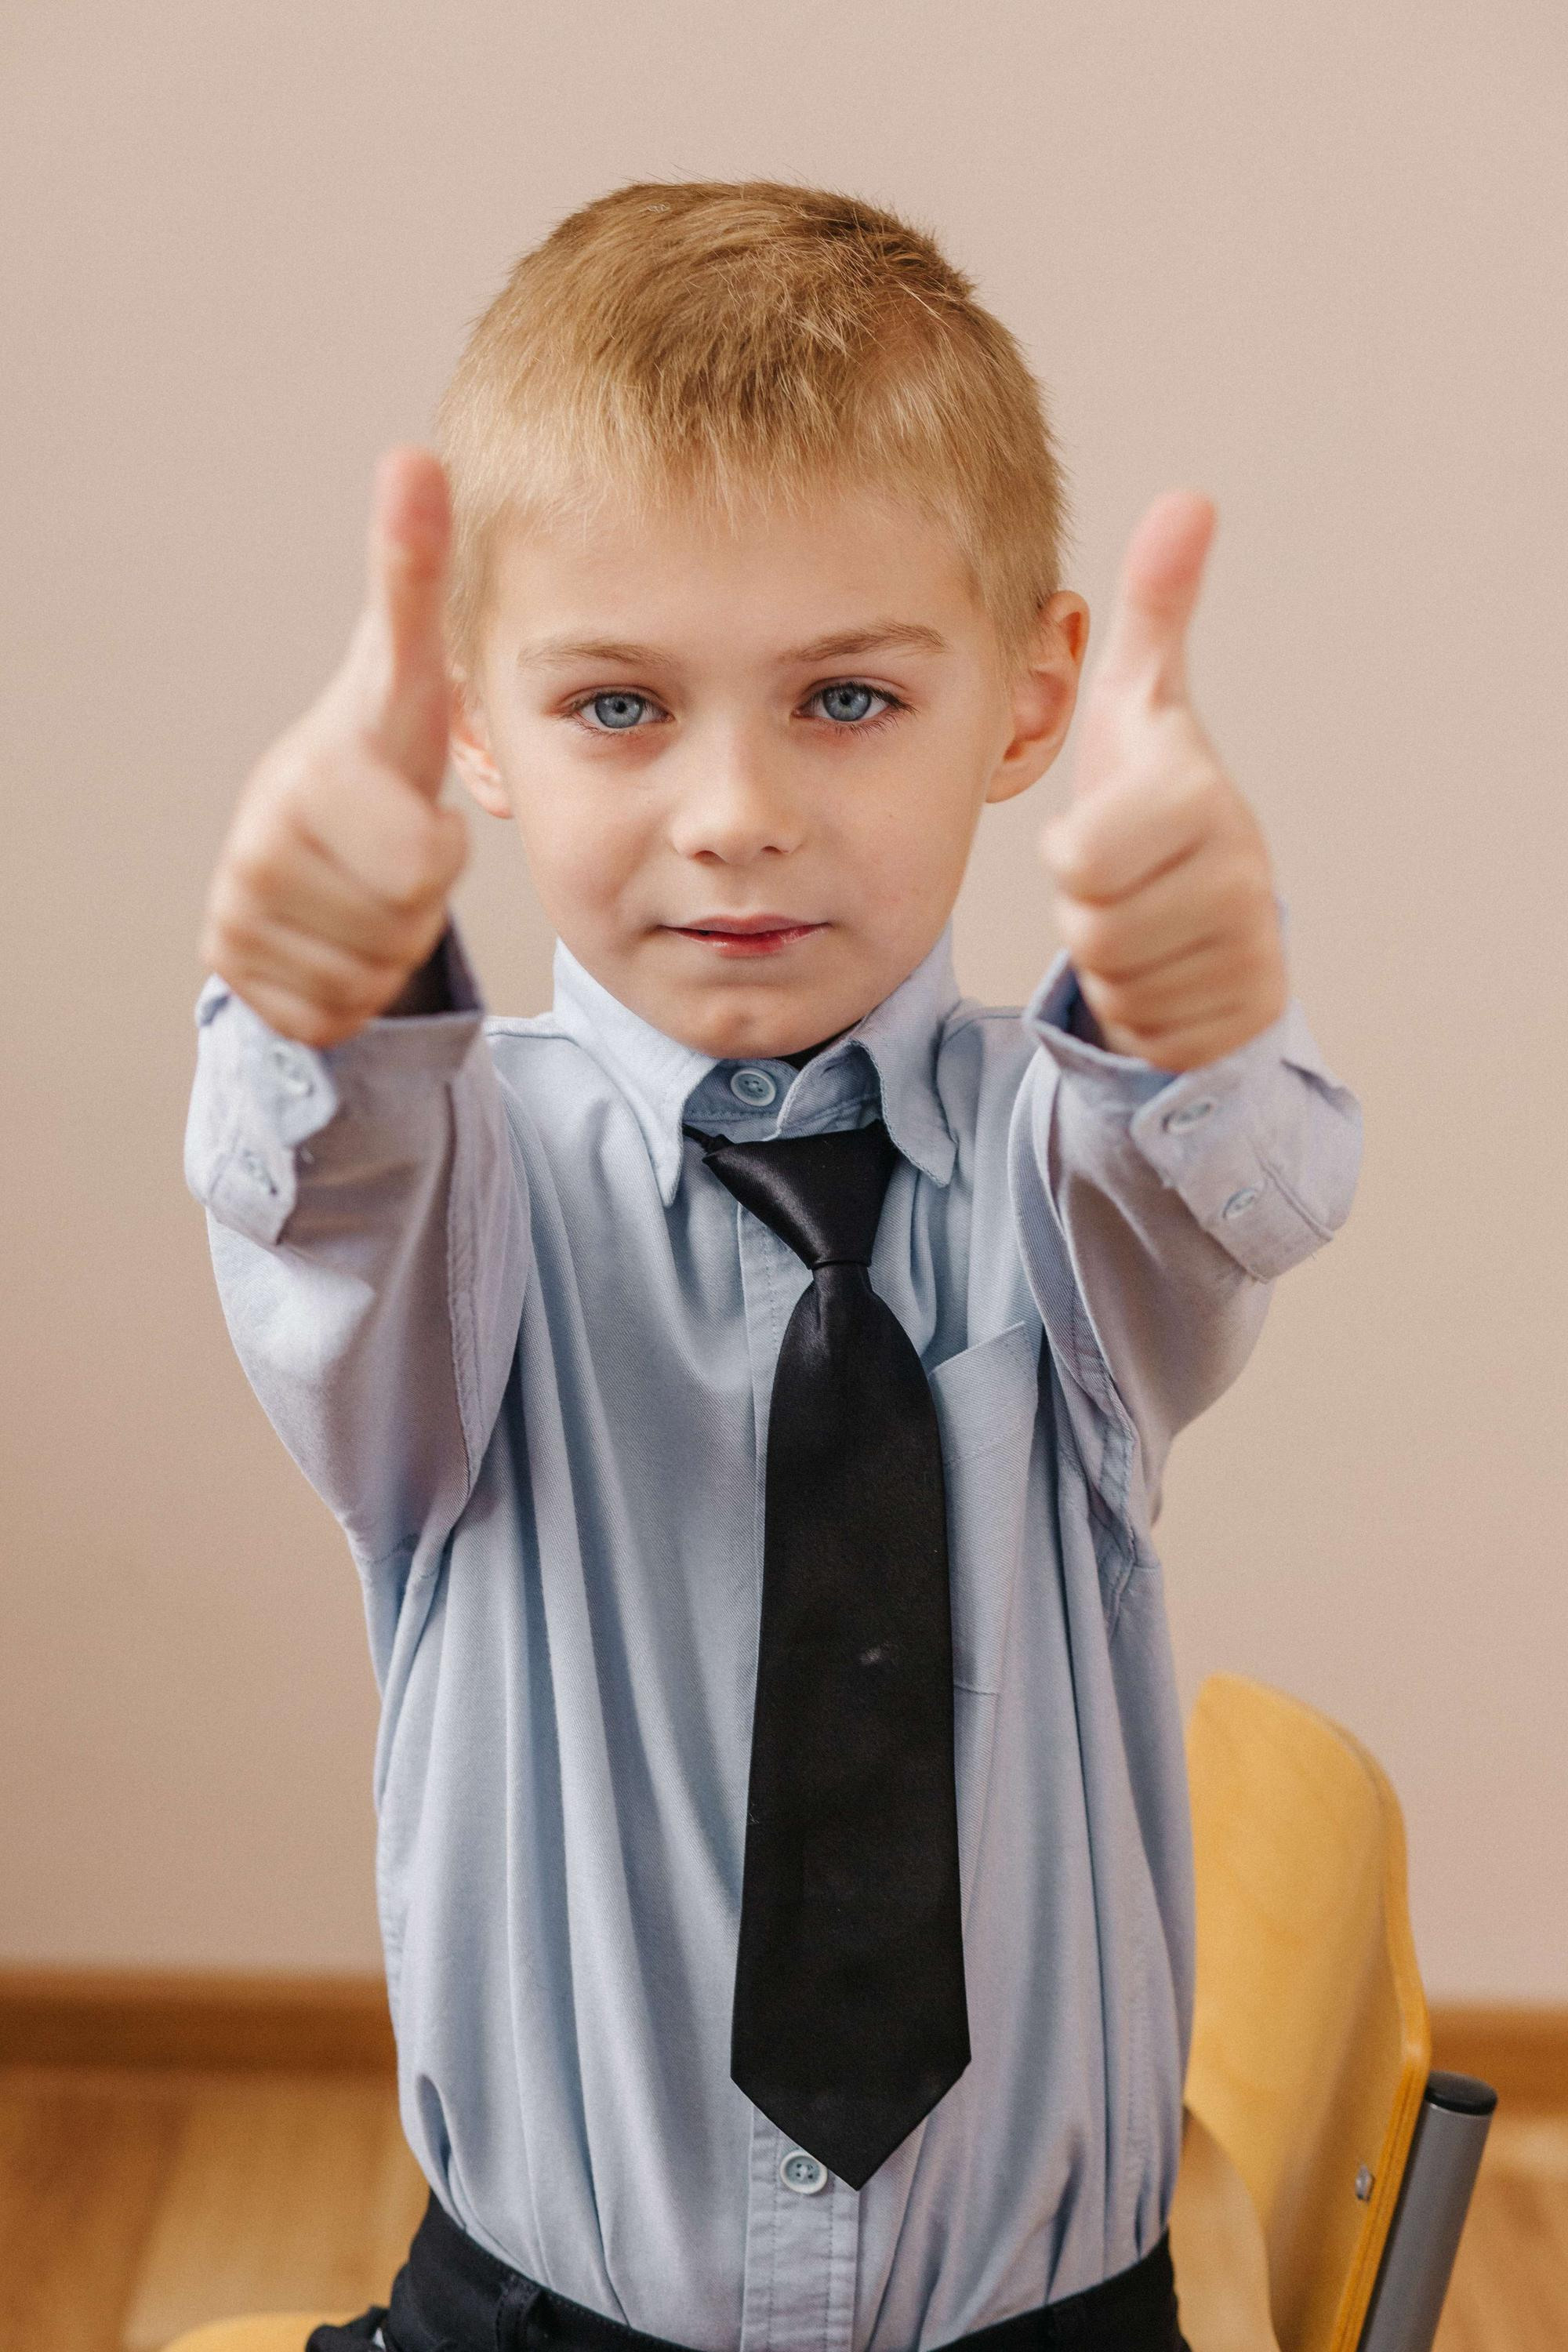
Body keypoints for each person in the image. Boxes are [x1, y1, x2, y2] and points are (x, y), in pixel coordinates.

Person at [185, 180, 1362, 2352]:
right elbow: (328, 1187)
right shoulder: (464, 1187)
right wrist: (324, 1002)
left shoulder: (1057, 1163)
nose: (734, 810)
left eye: (842, 698)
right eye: (621, 708)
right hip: (538, 2319)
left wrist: (1194, 1010)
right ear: (473, 728)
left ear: (1026, 704)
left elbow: (1216, 1193)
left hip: (1052, 2318)